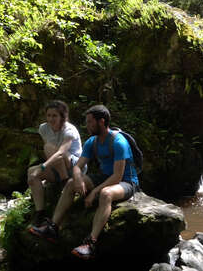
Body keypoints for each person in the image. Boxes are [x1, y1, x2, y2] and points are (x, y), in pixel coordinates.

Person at [29, 104, 139, 260]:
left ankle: (91, 243)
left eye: (90, 122)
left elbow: (117, 176)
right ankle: (52, 227)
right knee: (70, 183)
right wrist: (78, 179)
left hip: (127, 182)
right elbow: (78, 167)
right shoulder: (92, 141)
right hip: (104, 177)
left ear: (101, 122)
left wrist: (94, 192)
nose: (87, 125)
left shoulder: (119, 142)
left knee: (106, 194)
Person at [27, 100, 83, 226]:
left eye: (55, 116)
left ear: (62, 116)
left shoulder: (69, 129)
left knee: (49, 148)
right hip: (57, 165)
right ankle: (40, 212)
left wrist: (42, 167)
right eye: (49, 115)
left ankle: (64, 181)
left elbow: (61, 153)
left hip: (74, 166)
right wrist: (39, 171)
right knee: (31, 173)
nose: (51, 119)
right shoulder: (43, 128)